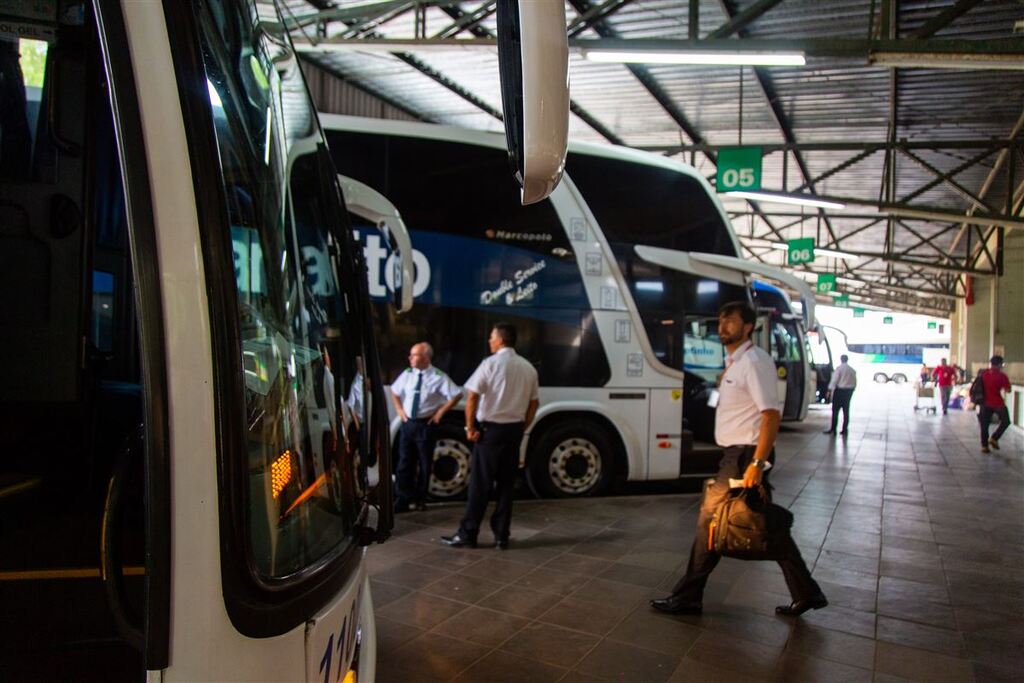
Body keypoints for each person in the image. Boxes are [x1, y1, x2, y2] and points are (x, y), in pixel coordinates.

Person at [650, 301, 826, 617]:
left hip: (745, 455)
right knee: (763, 524)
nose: (722, 326)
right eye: (719, 320)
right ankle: (807, 592)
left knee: (710, 520)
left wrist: (757, 464)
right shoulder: (735, 362)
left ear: (748, 326)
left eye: (729, 320)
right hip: (736, 454)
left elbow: (770, 415)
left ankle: (688, 596)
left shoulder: (754, 362)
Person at [441, 323, 538, 550]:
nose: (489, 340)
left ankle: (468, 533)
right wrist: (523, 426)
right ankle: (501, 536)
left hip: (491, 432)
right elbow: (534, 403)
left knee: (480, 484)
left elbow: (472, 396)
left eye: (492, 337)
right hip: (513, 431)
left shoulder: (490, 364)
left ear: (501, 340)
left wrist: (469, 427)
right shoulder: (528, 368)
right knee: (506, 485)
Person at [390, 342, 462, 512]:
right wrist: (400, 410)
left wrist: (440, 413)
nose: (410, 358)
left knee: (424, 463)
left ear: (426, 357)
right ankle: (403, 498)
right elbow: (395, 392)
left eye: (414, 355)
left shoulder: (438, 376)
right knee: (404, 462)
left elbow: (456, 394)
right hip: (408, 424)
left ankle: (420, 498)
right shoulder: (407, 374)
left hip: (425, 425)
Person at [977, 355, 1011, 454]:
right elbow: (1008, 390)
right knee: (1006, 421)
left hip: (984, 403)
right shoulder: (1002, 376)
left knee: (984, 425)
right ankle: (994, 438)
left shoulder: (984, 374)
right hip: (998, 403)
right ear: (1000, 364)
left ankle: (984, 446)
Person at [824, 354, 856, 436]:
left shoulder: (839, 369)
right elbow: (854, 382)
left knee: (835, 411)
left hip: (840, 391)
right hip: (848, 392)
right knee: (846, 411)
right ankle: (844, 430)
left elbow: (834, 380)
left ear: (841, 359)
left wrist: (829, 390)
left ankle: (833, 429)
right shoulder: (852, 370)